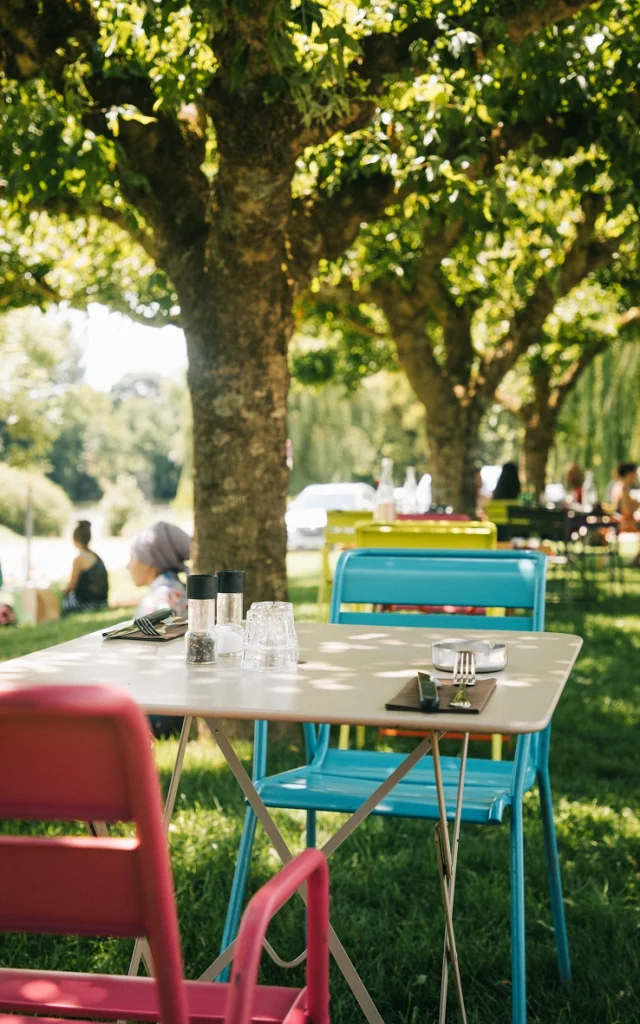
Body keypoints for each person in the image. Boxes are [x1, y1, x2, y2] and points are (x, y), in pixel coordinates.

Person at [128, 521, 191, 619]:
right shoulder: (176, 589)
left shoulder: (155, 603)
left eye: (132, 558)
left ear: (147, 562)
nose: (128, 566)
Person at [62, 520, 109, 616]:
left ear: (75, 540)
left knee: (64, 602)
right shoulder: (95, 556)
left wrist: (61, 593)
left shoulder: (78, 560)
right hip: (103, 602)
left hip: (88, 604)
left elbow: (71, 587)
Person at [616, 461, 639, 532]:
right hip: (626, 526)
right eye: (635, 473)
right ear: (629, 474)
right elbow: (628, 511)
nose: (636, 476)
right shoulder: (624, 489)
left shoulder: (624, 488)